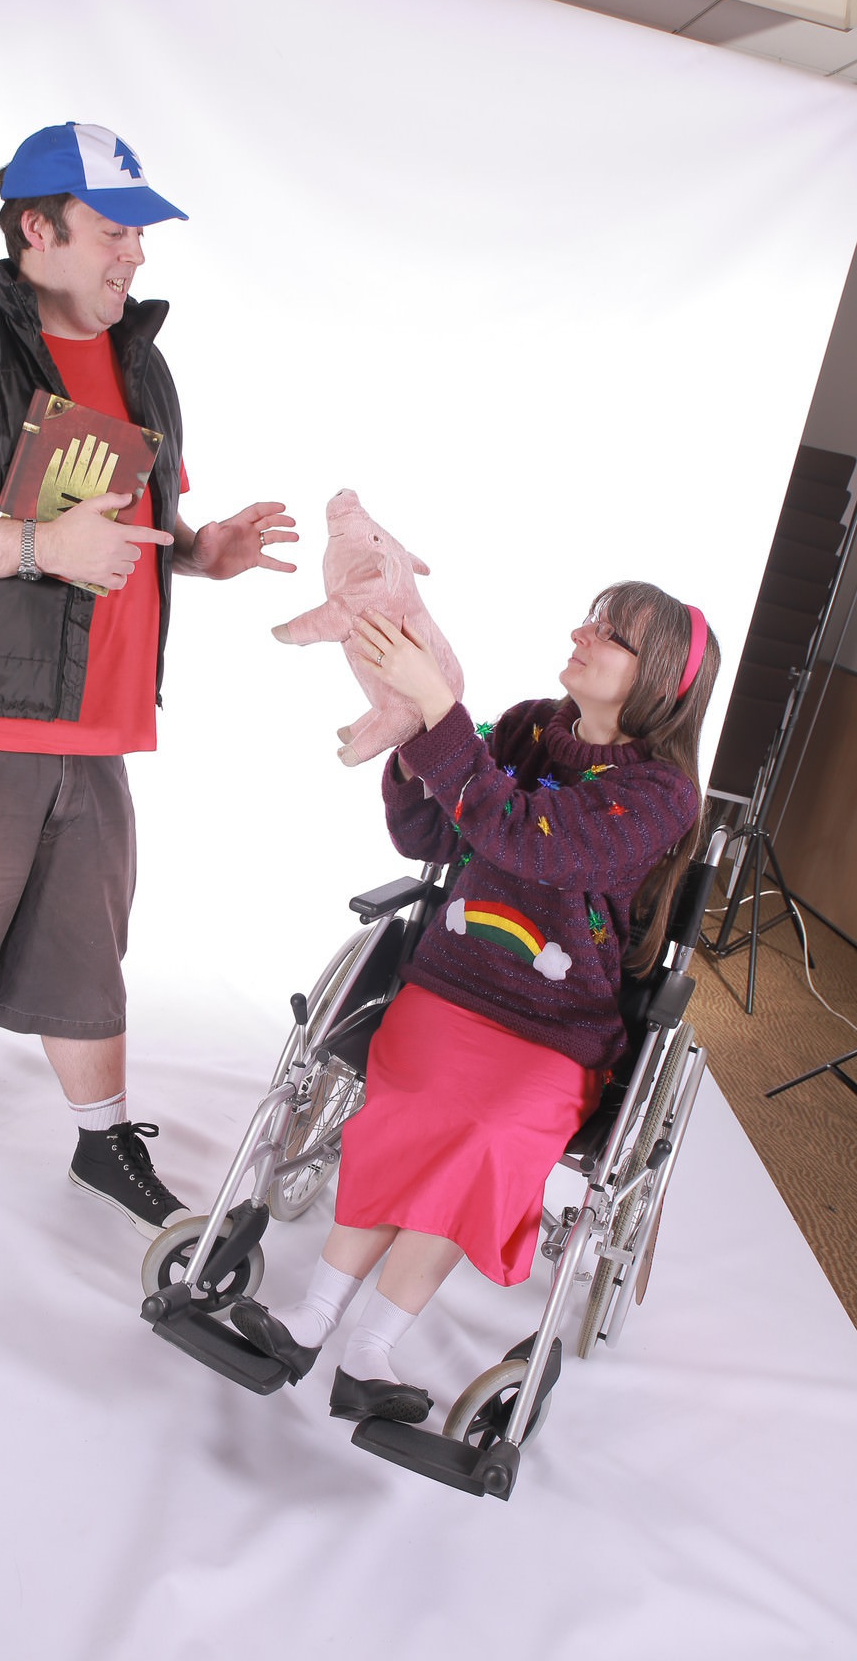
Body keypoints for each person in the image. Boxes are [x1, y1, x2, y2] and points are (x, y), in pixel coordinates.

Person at [0, 121, 296, 1232]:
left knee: (87, 952)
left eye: (139, 232)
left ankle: (102, 1140)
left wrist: (200, 551)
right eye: (113, 230)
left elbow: (128, 524)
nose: (135, 253)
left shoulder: (144, 365)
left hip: (95, 725)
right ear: (36, 232)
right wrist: (38, 547)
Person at [231, 582, 719, 1423]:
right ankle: (311, 1320)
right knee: (413, 1111)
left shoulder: (661, 797)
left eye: (610, 634)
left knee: (489, 1136)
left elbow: (530, 839)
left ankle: (370, 1347)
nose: (581, 633)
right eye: (591, 619)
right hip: (451, 986)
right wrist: (410, 735)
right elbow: (427, 834)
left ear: (662, 676)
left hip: (559, 1029)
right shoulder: (525, 726)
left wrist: (441, 711)